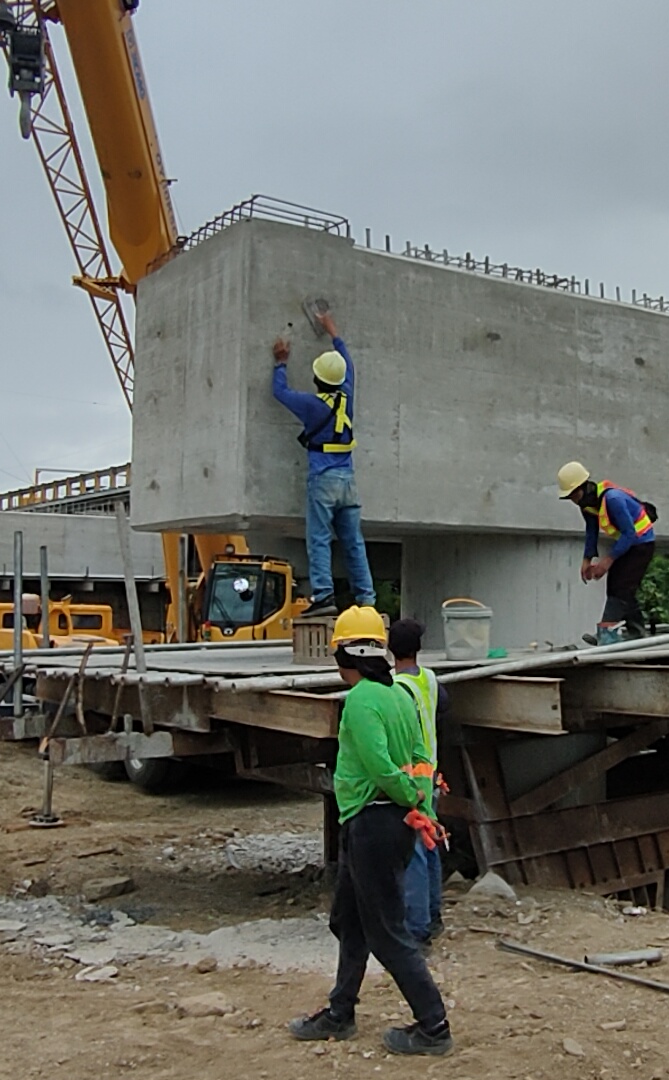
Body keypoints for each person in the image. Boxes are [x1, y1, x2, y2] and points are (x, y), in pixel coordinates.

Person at [289, 607, 452, 1056]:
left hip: (373, 823)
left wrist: (405, 796)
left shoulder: (360, 700)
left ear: (346, 655)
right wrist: (419, 796)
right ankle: (340, 1012)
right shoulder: (400, 694)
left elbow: (380, 765)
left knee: (385, 932)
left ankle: (434, 1027)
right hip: (386, 822)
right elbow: (421, 753)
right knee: (350, 921)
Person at [272, 309, 374, 617]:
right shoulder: (347, 394)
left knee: (318, 538)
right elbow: (348, 364)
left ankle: (324, 596)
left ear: (317, 379)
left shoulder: (312, 405)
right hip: (348, 479)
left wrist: (280, 361)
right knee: (353, 542)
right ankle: (367, 599)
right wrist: (334, 331)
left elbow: (280, 392)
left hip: (323, 479)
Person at [390, 617, 450, 945]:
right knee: (430, 845)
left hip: (411, 778)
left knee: (413, 849)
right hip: (431, 775)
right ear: (419, 649)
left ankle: (417, 927)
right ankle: (434, 914)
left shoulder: (397, 688)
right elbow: (445, 707)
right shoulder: (429, 679)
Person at [557, 461, 658, 645]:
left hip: (642, 544)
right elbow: (591, 530)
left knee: (621, 587)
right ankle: (638, 631)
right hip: (628, 543)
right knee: (619, 586)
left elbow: (629, 533)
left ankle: (606, 632)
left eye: (573, 495)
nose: (573, 500)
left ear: (583, 487)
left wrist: (607, 560)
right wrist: (587, 559)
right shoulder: (587, 504)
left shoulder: (613, 499)